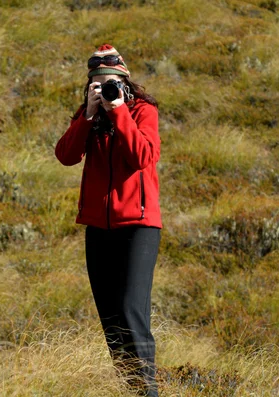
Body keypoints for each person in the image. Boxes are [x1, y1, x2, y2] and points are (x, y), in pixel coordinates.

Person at [54, 44, 162, 397]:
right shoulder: (88, 119)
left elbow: (142, 156)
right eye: (98, 85)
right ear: (89, 88)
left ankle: (148, 392)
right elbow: (66, 156)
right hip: (98, 230)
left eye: (112, 83)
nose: (107, 90)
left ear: (126, 82)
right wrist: (88, 114)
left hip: (139, 227)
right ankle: (130, 390)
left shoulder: (142, 112)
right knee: (112, 321)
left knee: (132, 313)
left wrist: (119, 112)